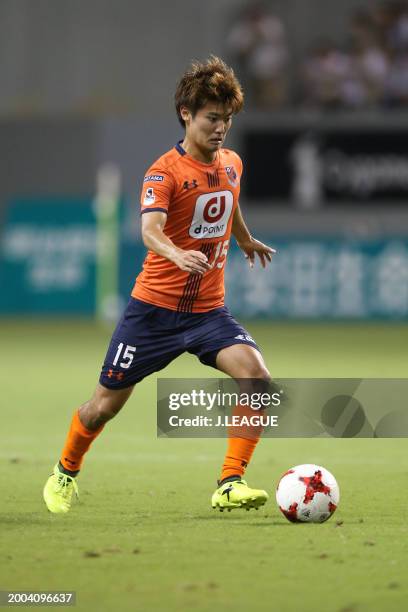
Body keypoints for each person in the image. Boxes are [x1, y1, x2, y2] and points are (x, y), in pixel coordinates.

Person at [43, 56, 276, 514]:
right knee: (103, 407)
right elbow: (149, 230)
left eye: (226, 120)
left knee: (258, 379)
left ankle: (230, 481)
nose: (220, 128)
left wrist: (244, 238)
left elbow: (228, 202)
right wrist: (174, 253)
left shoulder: (232, 164)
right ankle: (66, 470)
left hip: (209, 312)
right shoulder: (163, 172)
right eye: (212, 118)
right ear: (187, 115)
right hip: (152, 313)